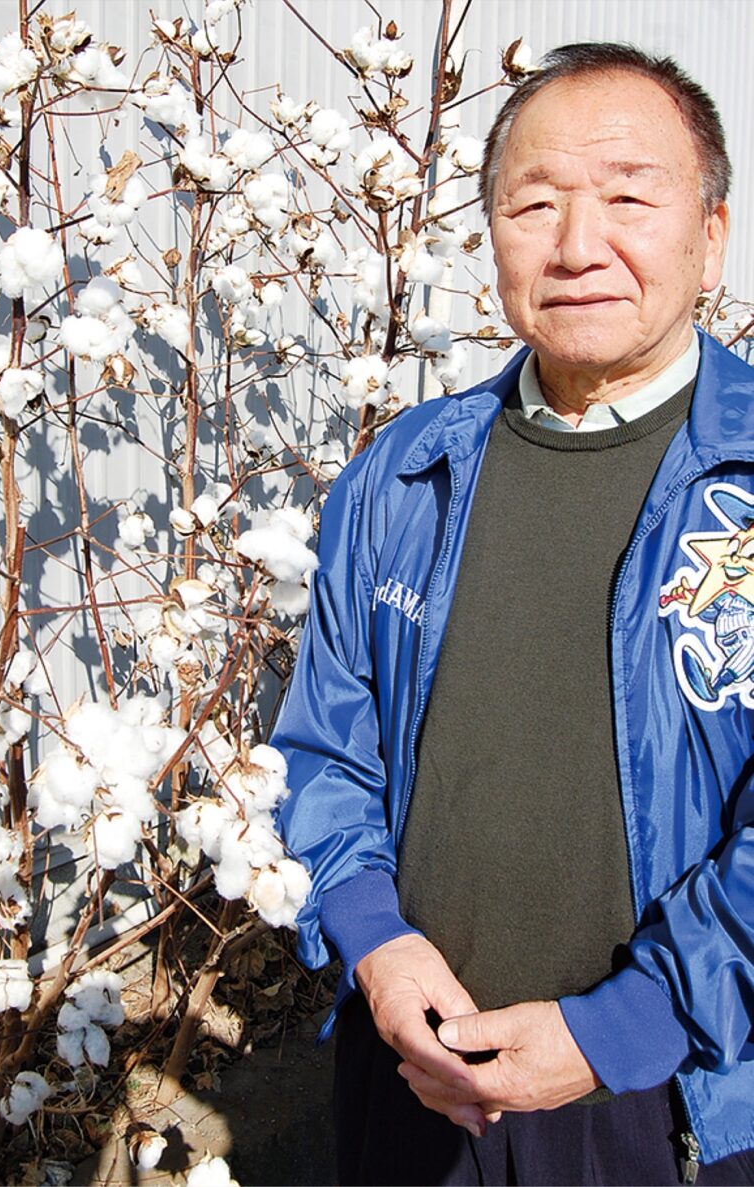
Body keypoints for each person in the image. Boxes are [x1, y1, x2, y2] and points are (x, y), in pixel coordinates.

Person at [272, 43, 754, 1187]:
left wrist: (618, 1027)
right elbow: (325, 748)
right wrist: (373, 944)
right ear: (490, 231)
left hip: (674, 1095)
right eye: (533, 204)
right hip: (414, 1075)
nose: (577, 245)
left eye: (629, 198)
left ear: (711, 233)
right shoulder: (403, 474)